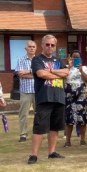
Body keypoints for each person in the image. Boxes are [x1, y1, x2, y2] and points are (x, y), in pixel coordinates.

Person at [28, 35, 68, 164]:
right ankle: (33, 155)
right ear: (42, 44)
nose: (50, 47)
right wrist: (58, 74)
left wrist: (51, 71)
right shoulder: (37, 59)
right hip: (44, 97)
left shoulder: (58, 59)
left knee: (54, 127)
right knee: (39, 127)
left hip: (59, 97)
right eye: (47, 44)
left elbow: (66, 72)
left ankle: (52, 152)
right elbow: (41, 74)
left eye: (52, 45)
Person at [64, 51, 87, 147]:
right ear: (70, 58)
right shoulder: (66, 68)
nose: (75, 59)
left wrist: (81, 71)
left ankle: (82, 140)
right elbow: (62, 77)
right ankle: (67, 141)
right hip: (69, 94)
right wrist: (69, 67)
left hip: (81, 94)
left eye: (77, 57)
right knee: (69, 118)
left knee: (82, 118)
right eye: (73, 57)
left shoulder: (85, 68)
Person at [15, 40, 37, 143]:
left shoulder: (39, 60)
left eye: (33, 47)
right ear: (26, 48)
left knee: (39, 113)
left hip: (38, 91)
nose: (31, 48)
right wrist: (35, 73)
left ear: (36, 48)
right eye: (30, 47)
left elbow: (42, 73)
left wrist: (28, 71)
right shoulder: (21, 60)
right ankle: (23, 134)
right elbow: (20, 74)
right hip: (25, 91)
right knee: (23, 114)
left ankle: (37, 133)